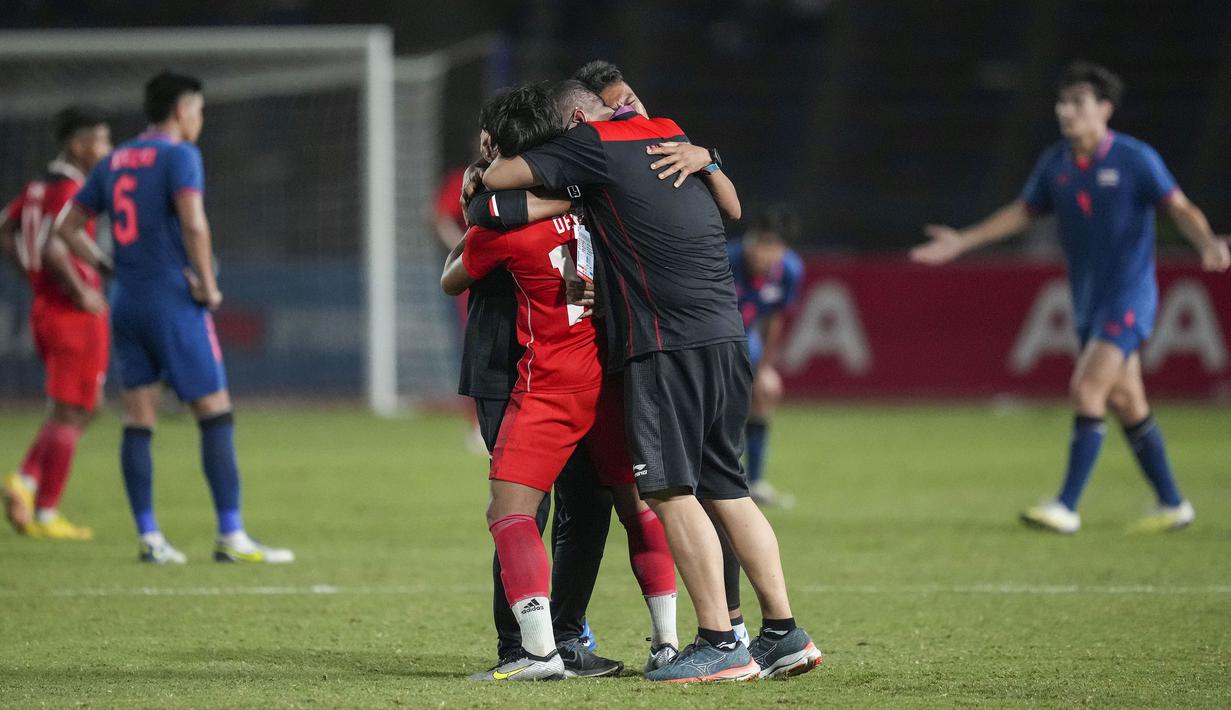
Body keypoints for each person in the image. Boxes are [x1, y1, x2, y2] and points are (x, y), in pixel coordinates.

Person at [483, 79, 822, 682]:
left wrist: (511, 175)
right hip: (725, 336)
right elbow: (731, 206)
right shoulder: (669, 132)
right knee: (728, 487)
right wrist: (709, 156)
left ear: (580, 117)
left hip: (669, 344)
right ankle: (781, 633)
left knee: (666, 491)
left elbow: (497, 186)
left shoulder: (590, 143)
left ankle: (720, 641)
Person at [912, 61, 1230, 534]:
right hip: (1087, 301)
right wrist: (963, 242)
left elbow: (1179, 206)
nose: (1066, 111)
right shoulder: (1056, 164)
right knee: (1127, 401)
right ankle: (1173, 503)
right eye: (1063, 102)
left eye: (1078, 102)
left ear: (1105, 109)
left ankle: (1067, 505)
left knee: (1087, 389)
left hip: (1129, 296)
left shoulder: (1135, 158)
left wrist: (1205, 243)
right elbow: (1022, 213)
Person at [443, 84, 678, 682]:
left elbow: (458, 269)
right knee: (631, 505)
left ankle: (541, 648)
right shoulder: (597, 198)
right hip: (603, 371)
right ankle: (667, 643)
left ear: (497, 144)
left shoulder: (500, 218)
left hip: (542, 378)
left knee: (518, 510)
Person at [54, 71, 294, 564]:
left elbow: (67, 226)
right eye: (199, 110)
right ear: (183, 110)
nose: (200, 120)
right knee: (215, 412)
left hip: (126, 302)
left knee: (138, 418)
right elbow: (193, 221)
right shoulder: (180, 155)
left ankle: (150, 537)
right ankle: (231, 534)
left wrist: (107, 267)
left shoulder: (116, 157)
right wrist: (207, 283)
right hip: (171, 299)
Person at [455, 110, 622, 679]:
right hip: (503, 368)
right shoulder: (489, 201)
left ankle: (565, 635)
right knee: (528, 507)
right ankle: (520, 644)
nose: (483, 147)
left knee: (588, 505)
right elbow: (462, 258)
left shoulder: (567, 194)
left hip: (563, 367)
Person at [1, 107, 111, 540]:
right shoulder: (69, 189)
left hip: (48, 307)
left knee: (87, 405)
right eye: (101, 141)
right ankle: (45, 511)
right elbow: (53, 249)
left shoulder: (36, 186)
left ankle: (25, 481)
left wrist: (32, 279)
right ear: (79, 145)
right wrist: (78, 289)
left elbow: (5, 230)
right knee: (73, 409)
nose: (108, 150)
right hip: (71, 312)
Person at [728, 206, 805, 509]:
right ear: (749, 240)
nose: (763, 254)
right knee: (723, 403)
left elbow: (774, 319)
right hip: (710, 337)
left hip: (746, 336)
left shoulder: (790, 270)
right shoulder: (724, 258)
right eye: (759, 244)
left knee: (765, 391)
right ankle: (717, 480)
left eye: (772, 247)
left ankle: (755, 481)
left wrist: (764, 370)